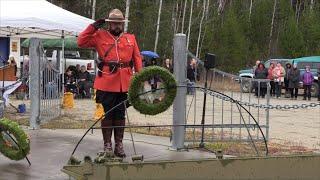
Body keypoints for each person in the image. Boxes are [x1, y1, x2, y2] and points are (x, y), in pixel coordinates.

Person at [77, 9, 142, 157]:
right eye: (114, 23)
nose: (117, 26)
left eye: (120, 23)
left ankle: (119, 145)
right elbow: (81, 41)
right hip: (106, 81)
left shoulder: (130, 38)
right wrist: (93, 27)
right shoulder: (99, 35)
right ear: (109, 24)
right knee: (108, 114)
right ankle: (107, 145)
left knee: (120, 114)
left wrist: (140, 77)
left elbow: (137, 58)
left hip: (125, 82)